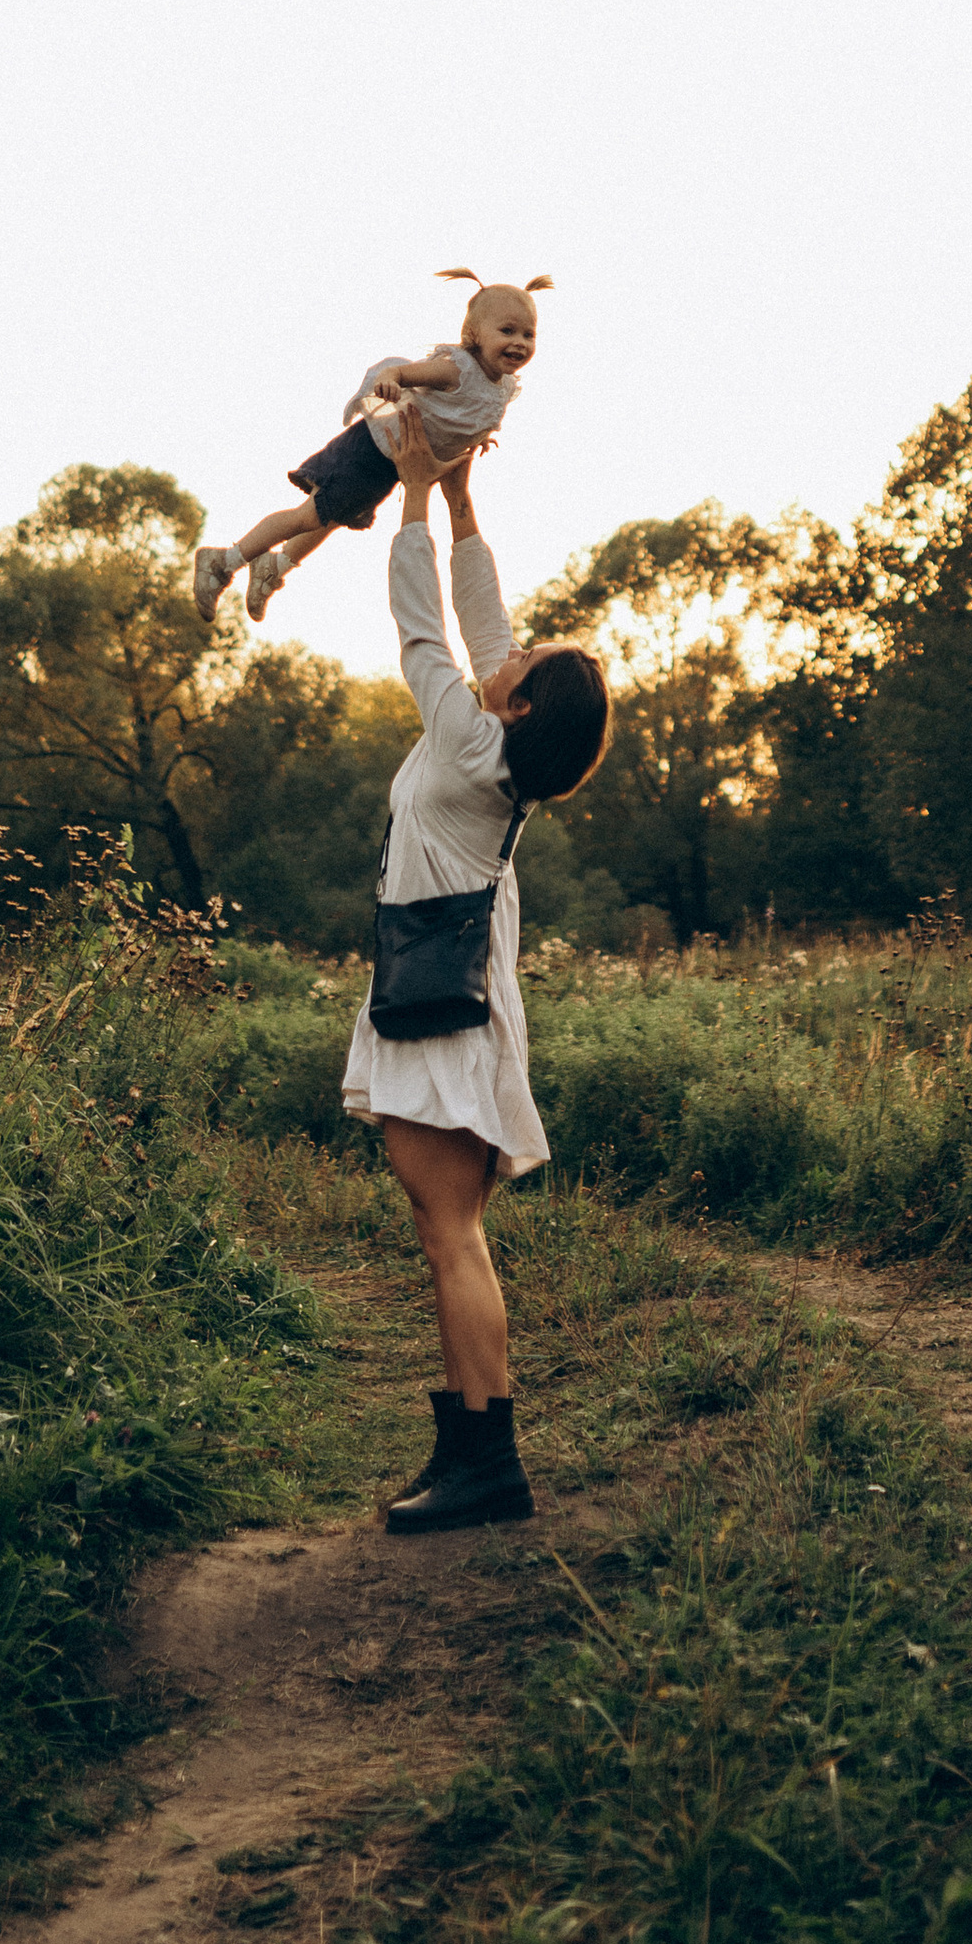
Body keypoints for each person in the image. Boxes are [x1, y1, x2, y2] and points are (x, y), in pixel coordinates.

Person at [347, 403, 610, 1534]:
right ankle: (466, 1439)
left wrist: (407, 489)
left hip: (438, 1003)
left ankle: (487, 1463)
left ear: (515, 702)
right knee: (445, 1226)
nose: (507, 649)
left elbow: (421, 627)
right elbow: (478, 616)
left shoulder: (465, 741)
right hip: (448, 991)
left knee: (451, 1230)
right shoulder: (502, 746)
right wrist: (460, 498)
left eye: (521, 660)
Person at [191, 271, 548, 626]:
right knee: (310, 516)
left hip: (396, 463)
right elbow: (404, 374)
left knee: (331, 517)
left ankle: (274, 567)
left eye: (528, 334)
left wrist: (477, 434)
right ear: (474, 334)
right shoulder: (456, 370)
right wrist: (390, 382)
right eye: (507, 331)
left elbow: (466, 414)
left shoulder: (502, 388)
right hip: (371, 449)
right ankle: (224, 561)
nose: (520, 342)